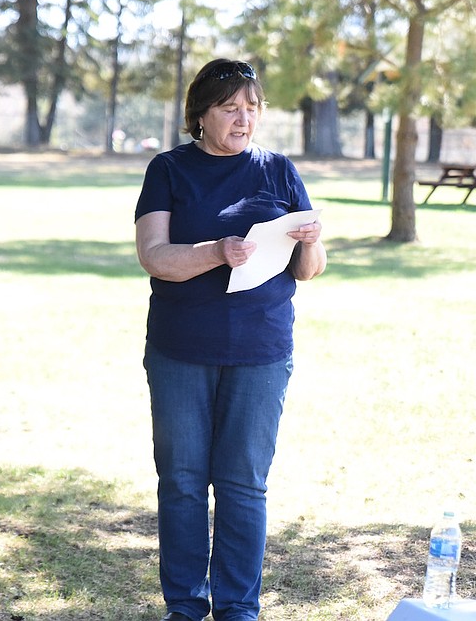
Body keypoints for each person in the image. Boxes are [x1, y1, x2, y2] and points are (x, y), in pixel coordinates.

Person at [134, 58, 327, 621]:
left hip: (261, 351)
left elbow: (309, 270)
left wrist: (312, 239)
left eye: (251, 107)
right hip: (180, 350)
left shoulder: (279, 170)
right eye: (229, 108)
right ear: (201, 114)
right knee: (183, 482)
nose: (243, 119)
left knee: (244, 483)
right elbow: (155, 257)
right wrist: (217, 251)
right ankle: (186, 607)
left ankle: (240, 608)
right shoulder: (169, 169)